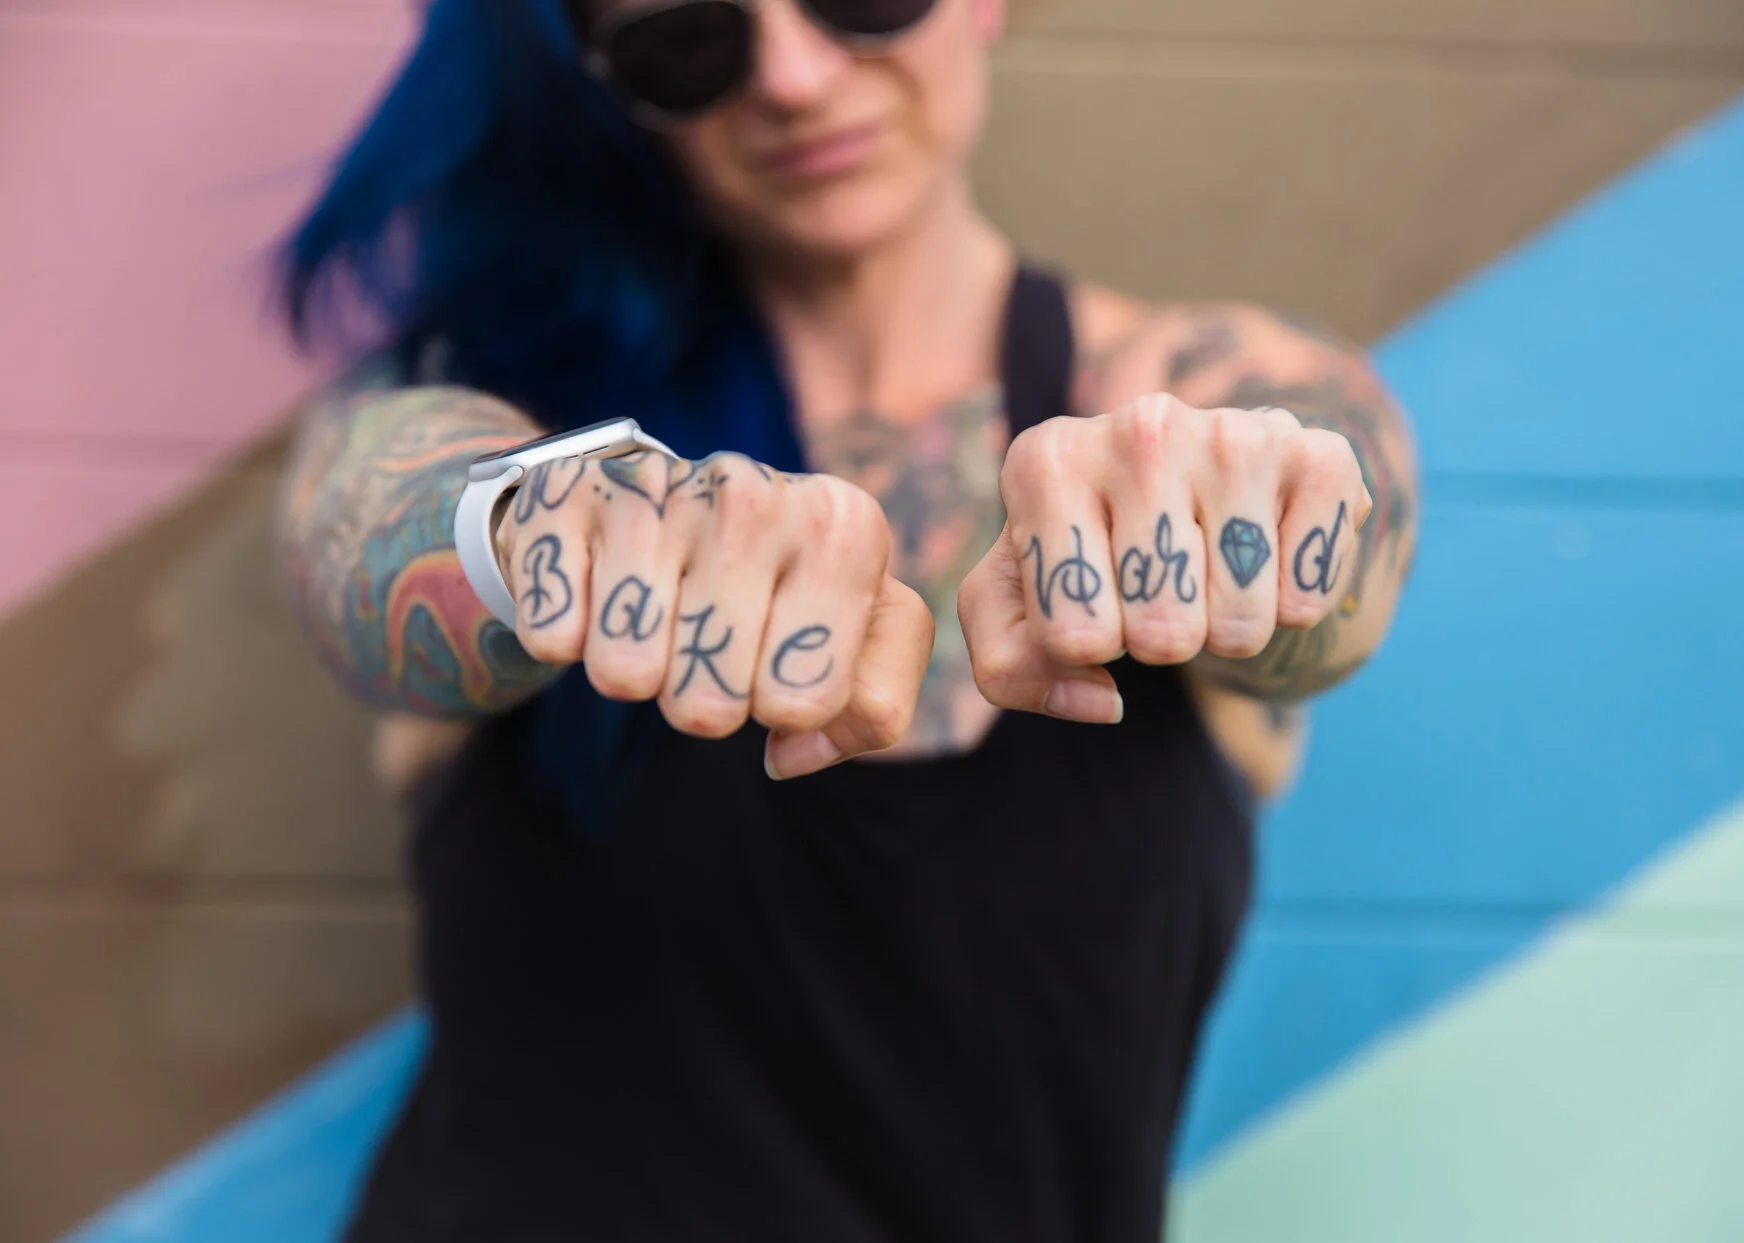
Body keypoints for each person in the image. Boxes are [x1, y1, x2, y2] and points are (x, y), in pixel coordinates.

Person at [276, 0, 1418, 1238]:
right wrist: (535, 530)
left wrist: (1254, 520)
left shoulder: (1198, 395)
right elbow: (369, 537)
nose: (796, 78)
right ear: (611, 87)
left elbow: (1339, 561)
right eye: (689, 39)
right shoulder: (510, 414)